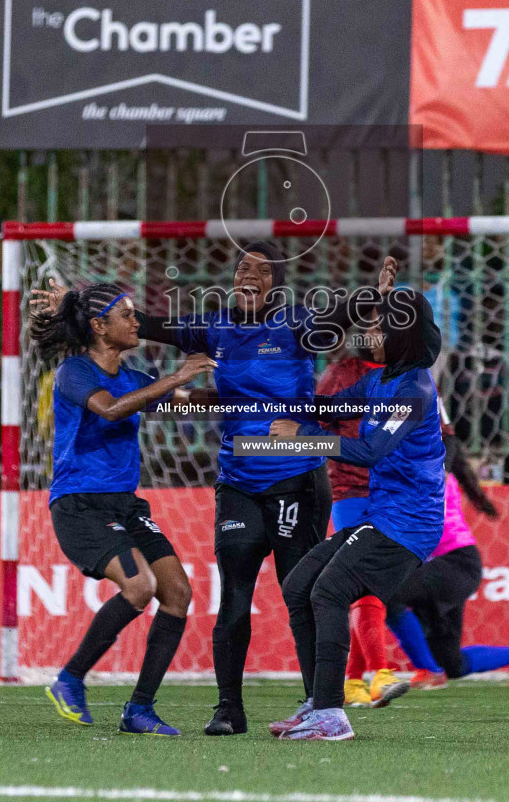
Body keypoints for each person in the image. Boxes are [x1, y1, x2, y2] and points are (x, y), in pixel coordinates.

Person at [88, 241, 391, 736]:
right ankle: (229, 708)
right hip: (238, 482)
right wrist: (78, 306)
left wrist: (370, 299)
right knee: (234, 597)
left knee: (303, 593)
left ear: (275, 283)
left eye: (261, 271)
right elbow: (149, 325)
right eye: (242, 269)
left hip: (295, 478)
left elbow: (335, 319)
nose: (249, 277)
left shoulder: (295, 323)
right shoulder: (214, 327)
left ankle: (319, 703)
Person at [32, 282, 215, 737]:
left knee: (177, 593)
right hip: (80, 505)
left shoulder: (134, 378)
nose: (137, 323)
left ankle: (139, 709)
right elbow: (110, 410)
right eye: (128, 315)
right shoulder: (74, 373)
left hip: (125, 505)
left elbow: (187, 402)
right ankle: (70, 679)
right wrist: (175, 376)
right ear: (99, 326)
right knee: (139, 587)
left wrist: (245, 397)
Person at [266, 288, 447, 742]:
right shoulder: (381, 379)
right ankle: (317, 702)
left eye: (377, 325)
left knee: (329, 591)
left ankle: (331, 714)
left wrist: (300, 440)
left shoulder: (416, 388)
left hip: (409, 526)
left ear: (401, 332)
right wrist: (280, 405)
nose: (367, 332)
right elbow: (334, 407)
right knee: (298, 585)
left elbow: (369, 451)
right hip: (383, 515)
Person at [377, 439, 509, 697]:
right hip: (444, 566)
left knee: (390, 597)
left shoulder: (428, 470)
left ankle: (428, 669)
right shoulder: (421, 466)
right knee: (452, 664)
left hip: (457, 563)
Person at [316, 344, 399, 708]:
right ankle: (381, 674)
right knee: (364, 582)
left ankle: (351, 682)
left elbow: (441, 433)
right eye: (370, 323)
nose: (377, 332)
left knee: (374, 587)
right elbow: (313, 421)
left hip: (394, 492)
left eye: (384, 325)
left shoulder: (410, 377)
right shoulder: (340, 373)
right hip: (350, 490)